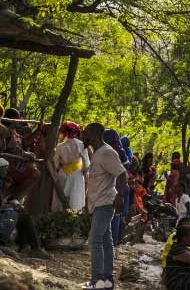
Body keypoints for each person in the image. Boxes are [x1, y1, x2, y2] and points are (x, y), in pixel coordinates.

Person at [82, 123, 128, 290]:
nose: (82, 136)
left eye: (85, 134)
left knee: (94, 240)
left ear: (94, 134)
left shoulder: (107, 153)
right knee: (106, 241)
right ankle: (107, 281)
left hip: (105, 203)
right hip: (98, 203)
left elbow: (123, 174)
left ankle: (97, 281)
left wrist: (120, 196)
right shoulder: (97, 153)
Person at [53, 121, 90, 212]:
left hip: (62, 174)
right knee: (75, 199)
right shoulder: (81, 145)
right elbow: (86, 163)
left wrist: (58, 169)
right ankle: (74, 217)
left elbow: (55, 162)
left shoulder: (59, 146)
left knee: (60, 198)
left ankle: (58, 217)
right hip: (76, 174)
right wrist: (83, 171)